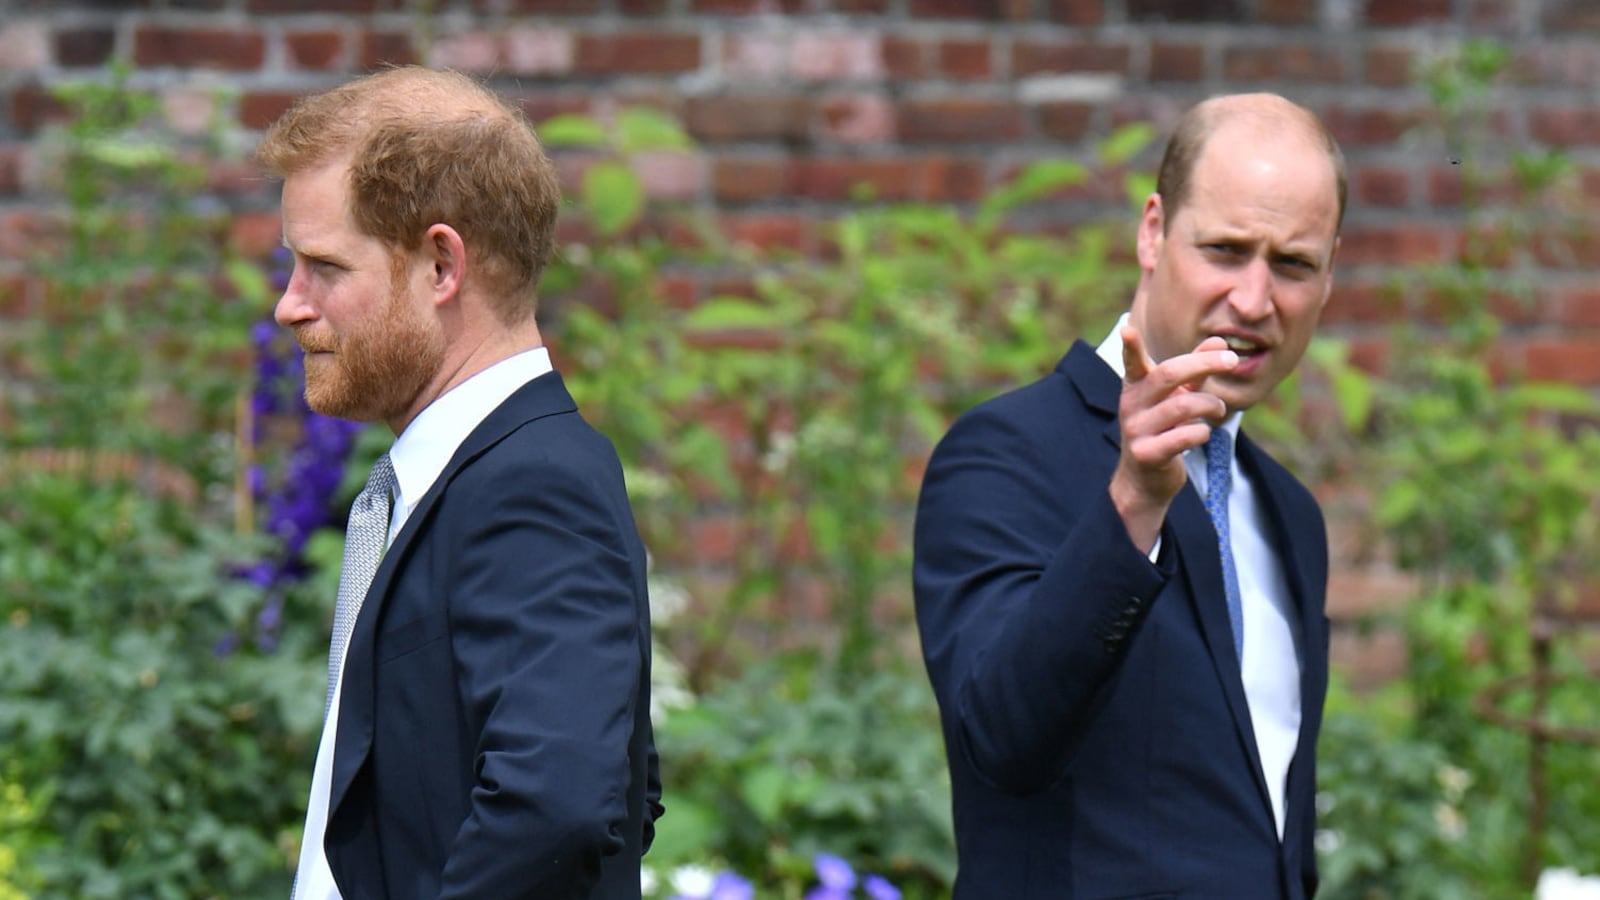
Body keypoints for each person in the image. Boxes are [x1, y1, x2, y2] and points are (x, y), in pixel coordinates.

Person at [912, 93, 1345, 899]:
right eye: (1224, 250)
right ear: (1153, 232)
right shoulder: (1005, 454)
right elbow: (1001, 739)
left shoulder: (1290, 515)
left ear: (1329, 275)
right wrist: (1132, 504)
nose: (1254, 300)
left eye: (1292, 264)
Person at [258, 66, 661, 899]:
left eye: (324, 267)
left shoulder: (534, 485)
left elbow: (561, 809)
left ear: (442, 265)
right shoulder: (469, 479)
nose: (289, 307)